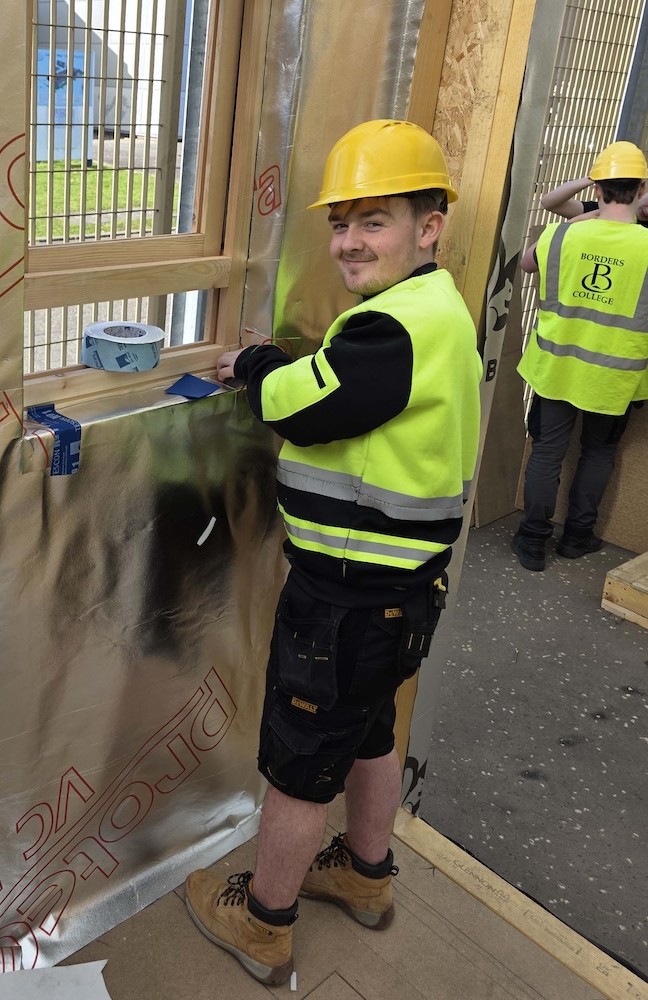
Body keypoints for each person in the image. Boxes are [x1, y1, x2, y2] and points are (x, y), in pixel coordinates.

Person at [183, 120, 482, 985]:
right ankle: (366, 871)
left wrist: (250, 363)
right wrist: (289, 361)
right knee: (370, 731)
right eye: (341, 222)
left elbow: (303, 404)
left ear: (430, 225)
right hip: (398, 594)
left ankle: (266, 922)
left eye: (375, 220)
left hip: (345, 601)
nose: (350, 240)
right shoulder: (431, 313)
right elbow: (346, 389)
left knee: (298, 765)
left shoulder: (394, 329)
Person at [511, 141, 648, 572]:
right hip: (615, 377)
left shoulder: (563, 233)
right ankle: (575, 539)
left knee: (548, 452)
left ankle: (532, 543)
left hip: (556, 367)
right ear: (641, 186)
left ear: (600, 185)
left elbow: (527, 264)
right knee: (598, 454)